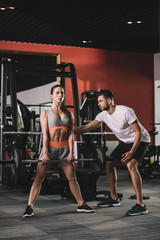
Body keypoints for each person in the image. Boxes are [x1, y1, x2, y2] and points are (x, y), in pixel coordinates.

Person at [74, 89, 150, 216]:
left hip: (141, 139)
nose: (98, 104)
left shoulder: (125, 111)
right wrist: (69, 131)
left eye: (100, 101)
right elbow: (87, 127)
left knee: (131, 165)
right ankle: (114, 199)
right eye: (98, 101)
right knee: (109, 164)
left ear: (109, 101)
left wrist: (131, 152)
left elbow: (139, 132)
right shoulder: (102, 115)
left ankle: (141, 205)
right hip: (126, 141)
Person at [23, 85, 95, 217]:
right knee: (39, 178)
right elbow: (44, 134)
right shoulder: (45, 113)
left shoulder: (69, 113)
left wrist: (71, 152)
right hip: (49, 148)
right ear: (52, 95)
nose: (60, 95)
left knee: (72, 178)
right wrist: (45, 153)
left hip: (64, 149)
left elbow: (70, 134)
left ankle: (81, 204)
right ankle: (29, 207)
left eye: (62, 93)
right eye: (57, 93)